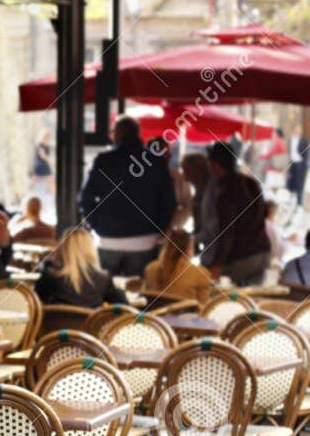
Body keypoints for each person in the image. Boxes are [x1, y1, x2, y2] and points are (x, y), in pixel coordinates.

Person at [77, 115, 176, 277]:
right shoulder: (156, 162)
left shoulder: (103, 161)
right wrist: (158, 229)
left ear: (117, 134)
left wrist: (97, 224)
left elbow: (84, 199)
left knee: (106, 294)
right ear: (138, 134)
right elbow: (168, 202)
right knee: (138, 293)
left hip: (107, 239)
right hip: (144, 241)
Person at [200, 141, 270, 286]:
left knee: (232, 302)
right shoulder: (251, 183)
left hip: (241, 257)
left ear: (215, 164)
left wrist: (216, 265)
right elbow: (265, 212)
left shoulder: (226, 193)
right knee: (253, 300)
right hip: (263, 251)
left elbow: (226, 232)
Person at [34, 226, 128, 308]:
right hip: (91, 328)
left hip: (55, 328)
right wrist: (120, 289)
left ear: (63, 248)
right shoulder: (103, 279)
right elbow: (124, 308)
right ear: (91, 249)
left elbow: (35, 301)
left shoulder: (50, 275)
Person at [142, 228, 215, 304]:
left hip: (154, 315)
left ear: (166, 246)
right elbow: (203, 306)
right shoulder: (201, 273)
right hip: (187, 315)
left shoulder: (150, 268)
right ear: (189, 247)